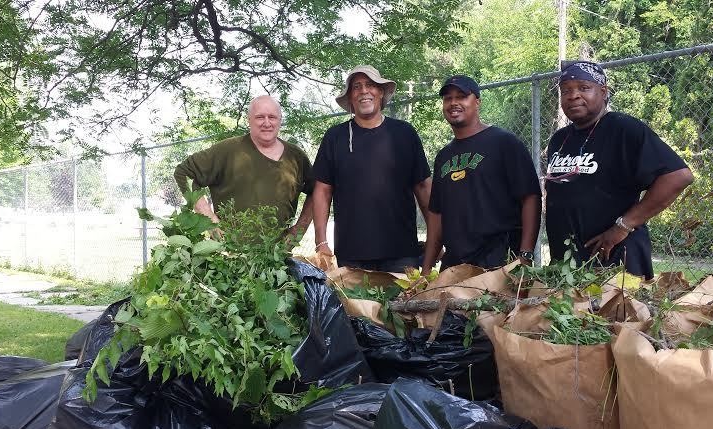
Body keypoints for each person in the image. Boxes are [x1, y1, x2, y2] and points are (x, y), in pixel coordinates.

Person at [544, 61, 694, 279]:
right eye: (566, 90)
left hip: (614, 258)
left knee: (616, 313)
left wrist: (623, 226)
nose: (573, 95)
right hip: (567, 263)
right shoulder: (560, 139)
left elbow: (678, 176)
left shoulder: (623, 128)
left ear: (603, 92)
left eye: (584, 88)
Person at [312, 65, 433, 272]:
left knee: (406, 305)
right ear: (350, 98)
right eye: (356, 87)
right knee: (354, 306)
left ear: (381, 92)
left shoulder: (404, 134)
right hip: (351, 255)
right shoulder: (335, 137)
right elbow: (322, 191)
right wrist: (321, 242)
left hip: (402, 254)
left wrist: (435, 238)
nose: (364, 91)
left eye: (370, 85)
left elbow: (423, 187)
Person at [422, 75, 541, 273]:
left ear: (477, 102)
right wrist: (426, 269)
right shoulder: (443, 156)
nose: (453, 103)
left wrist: (525, 255)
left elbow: (530, 197)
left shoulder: (504, 143)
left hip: (498, 260)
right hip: (455, 264)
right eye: (447, 98)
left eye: (461, 96)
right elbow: (436, 215)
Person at [173, 95, 314, 238]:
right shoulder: (228, 150)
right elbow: (184, 172)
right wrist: (209, 219)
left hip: (277, 256)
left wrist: (299, 230)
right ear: (249, 120)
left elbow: (317, 192)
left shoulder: (296, 157)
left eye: (272, 117)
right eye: (260, 117)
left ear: (280, 120)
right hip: (228, 253)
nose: (266, 123)